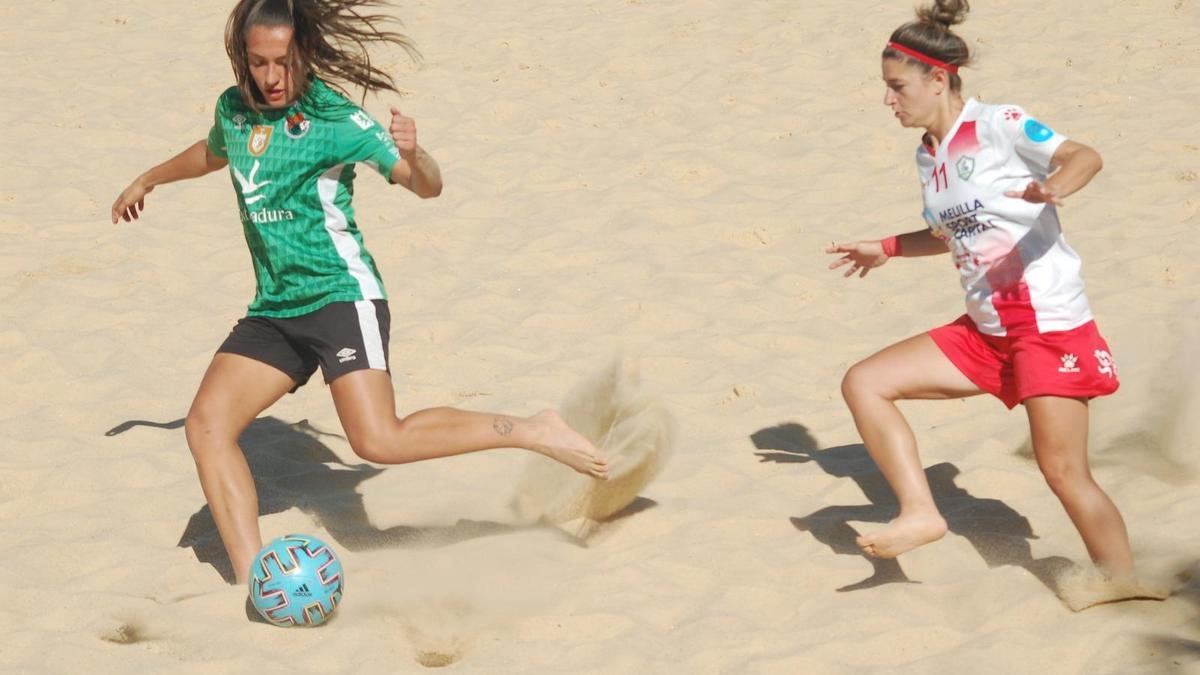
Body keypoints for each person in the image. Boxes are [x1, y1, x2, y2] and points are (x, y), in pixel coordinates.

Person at [110, 0, 608, 586]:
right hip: (274, 308)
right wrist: (149, 177)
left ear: (306, 56)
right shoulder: (235, 109)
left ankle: (532, 428)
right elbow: (213, 151)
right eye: (259, 62)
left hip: (341, 297)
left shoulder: (334, 118)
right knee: (206, 426)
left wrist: (416, 153)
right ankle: (256, 580)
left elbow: (426, 187)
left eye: (284, 63)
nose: (272, 77)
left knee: (378, 440)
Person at [825, 0, 1132, 580]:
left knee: (1064, 473)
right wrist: (886, 247)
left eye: (896, 87)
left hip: (1045, 324)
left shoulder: (999, 124)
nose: (888, 100)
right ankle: (920, 513)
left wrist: (1053, 187)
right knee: (865, 382)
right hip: (985, 330)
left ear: (936, 79)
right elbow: (952, 233)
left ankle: (1125, 584)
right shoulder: (929, 155)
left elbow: (1083, 156)